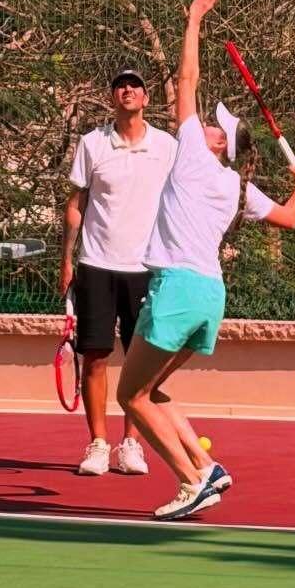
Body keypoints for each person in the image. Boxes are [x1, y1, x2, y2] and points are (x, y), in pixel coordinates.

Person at [117, 0, 295, 521]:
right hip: (210, 296)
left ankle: (193, 477)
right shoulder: (239, 190)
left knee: (129, 396)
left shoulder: (193, 158)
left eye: (212, 126)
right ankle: (211, 471)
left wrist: (194, 21)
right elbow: (292, 218)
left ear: (220, 144)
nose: (201, 123)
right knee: (151, 390)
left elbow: (187, 79)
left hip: (177, 288)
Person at [61, 65, 177, 476]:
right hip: (96, 265)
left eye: (134, 85)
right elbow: (75, 206)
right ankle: (97, 444)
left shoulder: (167, 146)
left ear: (146, 98)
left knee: (141, 364)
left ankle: (132, 445)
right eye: (120, 86)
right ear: (113, 98)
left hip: (148, 268)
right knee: (95, 358)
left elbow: (181, 200)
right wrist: (67, 262)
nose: (127, 90)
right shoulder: (92, 144)